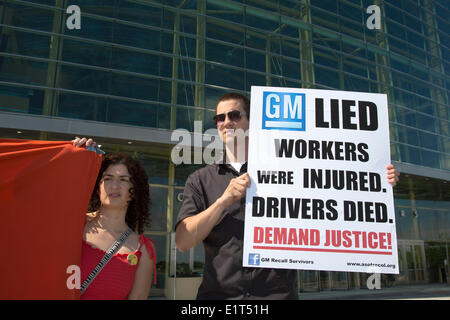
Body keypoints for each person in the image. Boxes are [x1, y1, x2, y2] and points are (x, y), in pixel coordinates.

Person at [175, 93, 400, 300]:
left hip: (277, 296)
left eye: (234, 115)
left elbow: (336, 193)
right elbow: (183, 241)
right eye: (219, 118)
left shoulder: (291, 171)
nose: (226, 122)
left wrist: (378, 179)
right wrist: (222, 201)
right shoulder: (200, 179)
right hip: (219, 297)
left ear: (251, 122)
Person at [73, 138, 156, 300]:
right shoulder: (73, 224)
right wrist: (74, 155)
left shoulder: (143, 249)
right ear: (98, 186)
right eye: (108, 178)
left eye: (123, 180)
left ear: (134, 190)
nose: (114, 186)